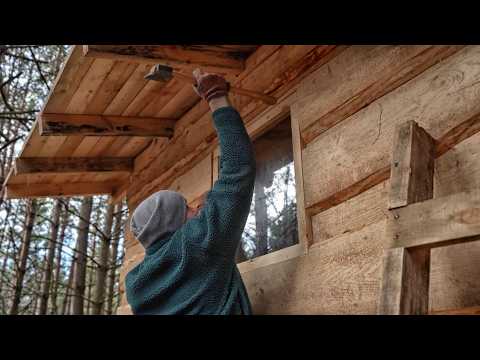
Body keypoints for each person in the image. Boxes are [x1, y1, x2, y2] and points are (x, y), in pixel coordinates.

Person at [125, 69, 256, 314]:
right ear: (171, 225)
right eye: (186, 208)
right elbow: (238, 167)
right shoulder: (196, 244)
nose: (196, 208)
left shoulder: (137, 286)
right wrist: (216, 96)